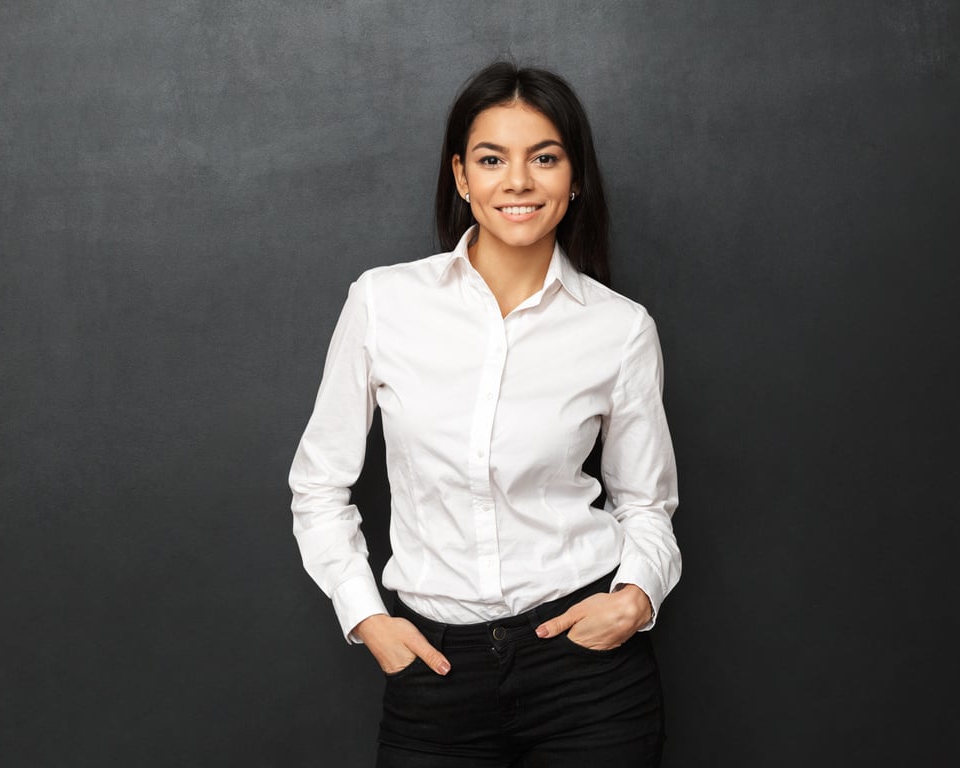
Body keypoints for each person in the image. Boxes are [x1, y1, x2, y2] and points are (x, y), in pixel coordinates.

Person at [289, 61, 680, 767]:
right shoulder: (383, 303)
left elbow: (647, 503)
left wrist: (637, 598)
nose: (519, 182)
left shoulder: (620, 329)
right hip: (435, 676)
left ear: (575, 178)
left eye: (546, 158)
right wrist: (366, 615)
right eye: (493, 159)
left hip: (587, 677)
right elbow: (319, 486)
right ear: (462, 177)